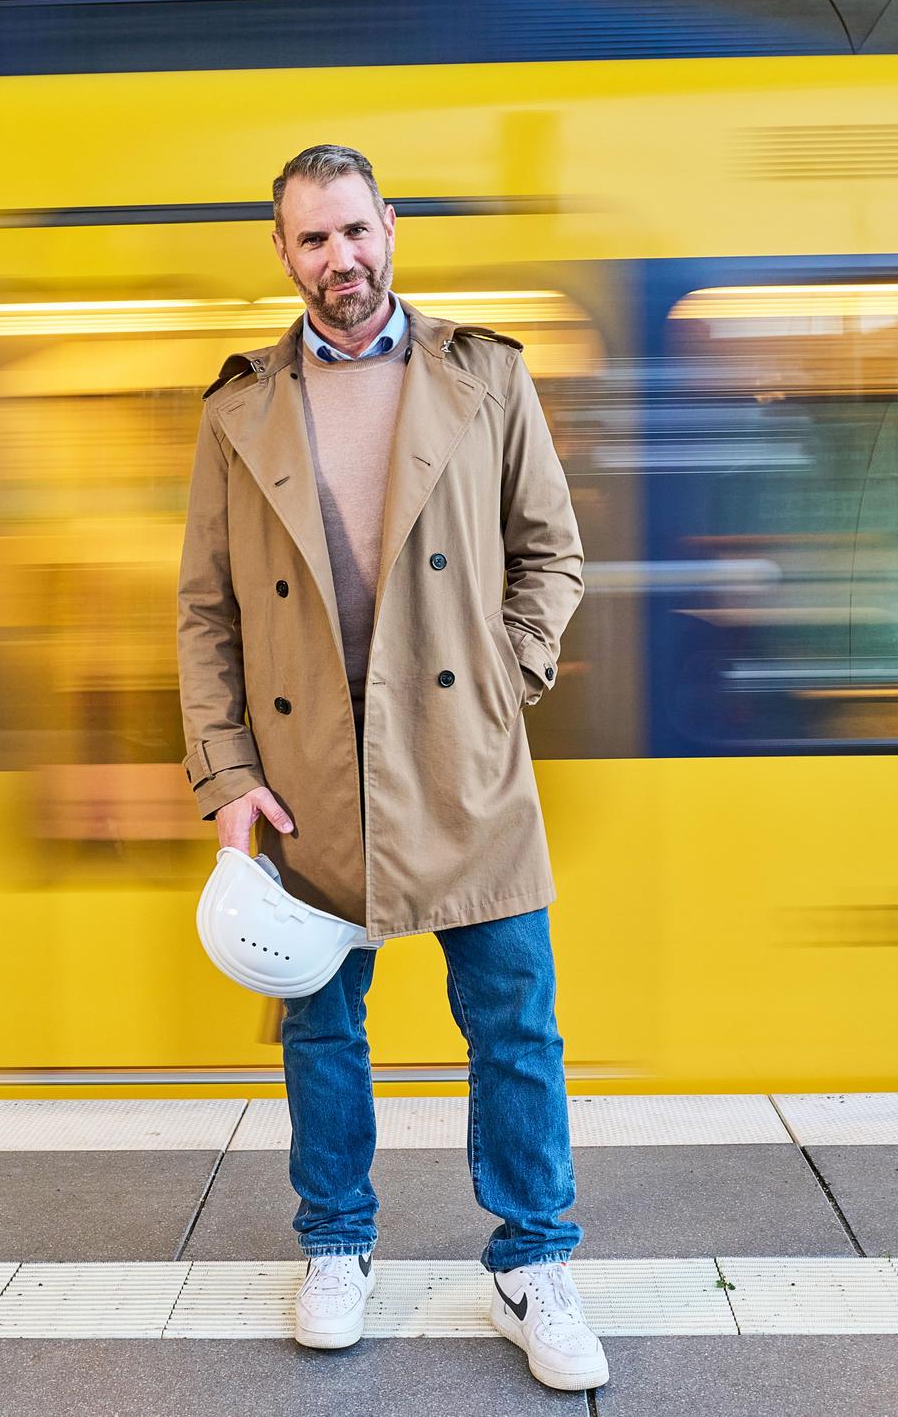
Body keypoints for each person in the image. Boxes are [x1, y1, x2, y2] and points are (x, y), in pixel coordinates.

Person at [175, 145, 600, 1391]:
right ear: (282, 252)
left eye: (354, 231)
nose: (338, 260)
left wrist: (507, 683)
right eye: (311, 240)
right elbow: (204, 612)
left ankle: (533, 1263)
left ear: (390, 227)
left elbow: (553, 555)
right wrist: (226, 772)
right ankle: (338, 1246)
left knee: (514, 1024)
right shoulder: (237, 406)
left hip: (463, 762)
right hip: (306, 772)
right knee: (321, 1027)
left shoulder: (486, 377)